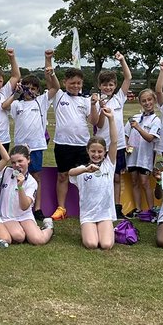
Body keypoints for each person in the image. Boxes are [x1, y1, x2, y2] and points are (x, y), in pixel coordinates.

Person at [45, 50, 94, 220]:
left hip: (83, 145)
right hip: (63, 144)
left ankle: (88, 207)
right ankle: (61, 208)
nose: (75, 86)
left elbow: (94, 121)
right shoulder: (58, 95)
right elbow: (50, 78)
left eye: (79, 83)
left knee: (86, 175)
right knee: (63, 175)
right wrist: (48, 59)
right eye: (72, 83)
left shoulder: (85, 100)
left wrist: (95, 105)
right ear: (65, 82)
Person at [68, 102, 119, 250]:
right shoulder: (83, 169)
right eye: (93, 151)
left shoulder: (109, 164)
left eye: (100, 152)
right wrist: (85, 170)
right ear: (88, 151)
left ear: (104, 152)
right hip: (88, 215)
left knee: (106, 245)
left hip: (105, 213)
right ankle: (90, 230)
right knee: (91, 244)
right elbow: (70, 173)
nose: (96, 155)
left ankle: (106, 229)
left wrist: (111, 119)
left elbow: (114, 141)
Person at [3, 74, 49, 222]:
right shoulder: (17, 104)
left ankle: (37, 208)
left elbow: (54, 88)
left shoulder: (41, 101)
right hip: (20, 147)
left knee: (35, 177)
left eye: (33, 89)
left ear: (38, 90)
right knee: (17, 176)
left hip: (36, 146)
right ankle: (16, 205)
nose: (30, 91)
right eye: (27, 88)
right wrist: (16, 94)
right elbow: (4, 106)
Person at [91, 52, 132, 217]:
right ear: (100, 86)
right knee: (100, 177)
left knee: (116, 178)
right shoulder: (95, 100)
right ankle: (101, 206)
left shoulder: (119, 98)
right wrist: (98, 107)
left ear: (114, 85)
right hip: (101, 146)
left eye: (111, 85)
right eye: (105, 85)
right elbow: (98, 124)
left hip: (118, 145)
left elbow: (128, 77)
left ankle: (116, 207)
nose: (108, 87)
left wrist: (122, 60)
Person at [0, 139, 53, 245]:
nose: (17, 165)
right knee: (18, 236)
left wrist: (20, 187)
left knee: (38, 240)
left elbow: (24, 206)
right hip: (7, 216)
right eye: (13, 162)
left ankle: (49, 227)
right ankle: (23, 230)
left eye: (20, 161)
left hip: (25, 215)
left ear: (28, 160)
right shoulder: (5, 172)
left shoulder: (32, 182)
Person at [124, 89, 162, 220]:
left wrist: (138, 128)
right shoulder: (134, 118)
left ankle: (151, 210)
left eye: (149, 100)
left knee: (145, 182)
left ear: (154, 100)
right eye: (144, 101)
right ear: (140, 102)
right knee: (134, 181)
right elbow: (126, 135)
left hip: (145, 157)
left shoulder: (156, 120)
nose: (147, 103)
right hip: (132, 156)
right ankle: (138, 209)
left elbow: (150, 138)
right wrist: (126, 144)